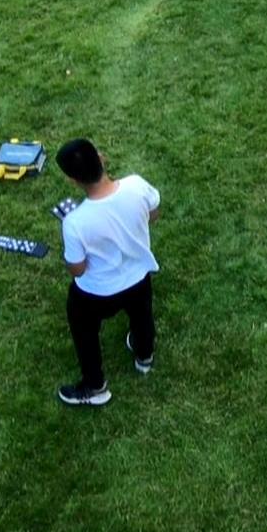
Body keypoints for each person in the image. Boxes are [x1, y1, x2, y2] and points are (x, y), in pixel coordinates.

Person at [54, 138, 160, 406]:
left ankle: (95, 386)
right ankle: (144, 355)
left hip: (96, 293)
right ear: (101, 158)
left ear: (73, 181)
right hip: (139, 278)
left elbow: (77, 270)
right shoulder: (137, 184)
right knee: (142, 314)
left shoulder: (75, 223)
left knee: (83, 329)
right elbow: (153, 214)